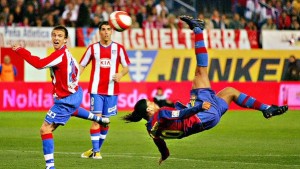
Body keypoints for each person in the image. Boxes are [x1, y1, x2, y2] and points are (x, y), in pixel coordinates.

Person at [122, 16, 288, 165]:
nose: (153, 103)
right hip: (201, 115)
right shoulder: (162, 113)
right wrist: (198, 107)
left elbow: (162, 145)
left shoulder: (151, 130)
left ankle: (267, 109)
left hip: (205, 120)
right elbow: (181, 115)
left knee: (229, 90)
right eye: (150, 103)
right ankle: (198, 30)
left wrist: (164, 156)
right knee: (201, 71)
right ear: (149, 110)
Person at [12, 25, 109, 169]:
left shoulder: (59, 55)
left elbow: (39, 64)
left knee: (45, 129)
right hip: (76, 94)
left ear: (65, 40)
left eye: (59, 36)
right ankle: (99, 119)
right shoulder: (68, 54)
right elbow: (76, 70)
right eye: (54, 35)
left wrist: (20, 50)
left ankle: (50, 167)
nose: (56, 38)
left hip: (66, 100)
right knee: (73, 110)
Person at [79, 21, 131, 159]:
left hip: (112, 91)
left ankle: (94, 149)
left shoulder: (119, 49)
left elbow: (126, 67)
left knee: (105, 122)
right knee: (96, 120)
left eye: (109, 29)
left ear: (112, 31)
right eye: (103, 29)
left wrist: (120, 74)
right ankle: (96, 152)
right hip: (96, 90)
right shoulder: (92, 48)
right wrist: (75, 78)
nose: (106, 32)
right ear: (99, 32)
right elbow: (82, 65)